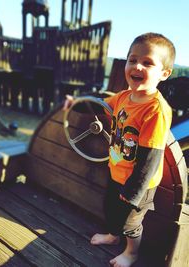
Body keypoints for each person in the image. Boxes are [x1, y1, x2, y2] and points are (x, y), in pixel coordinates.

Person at [63, 32, 175, 267]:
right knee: (112, 210)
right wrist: (76, 103)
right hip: (116, 171)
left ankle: (131, 253)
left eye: (147, 62)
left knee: (131, 223)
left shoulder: (155, 110)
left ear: (164, 73)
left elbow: (151, 157)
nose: (137, 66)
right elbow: (99, 107)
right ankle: (114, 237)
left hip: (138, 184)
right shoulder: (124, 97)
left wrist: (133, 191)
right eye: (132, 60)